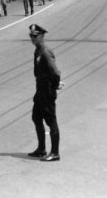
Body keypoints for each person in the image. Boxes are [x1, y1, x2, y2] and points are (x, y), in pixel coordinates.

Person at [28, 24, 63, 162]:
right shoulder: (38, 51)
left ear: (42, 36)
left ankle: (55, 153)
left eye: (35, 36)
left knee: (51, 121)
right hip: (40, 90)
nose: (32, 38)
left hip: (47, 91)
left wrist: (54, 86)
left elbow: (55, 72)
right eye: (31, 36)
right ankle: (41, 149)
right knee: (36, 117)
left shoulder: (45, 52)